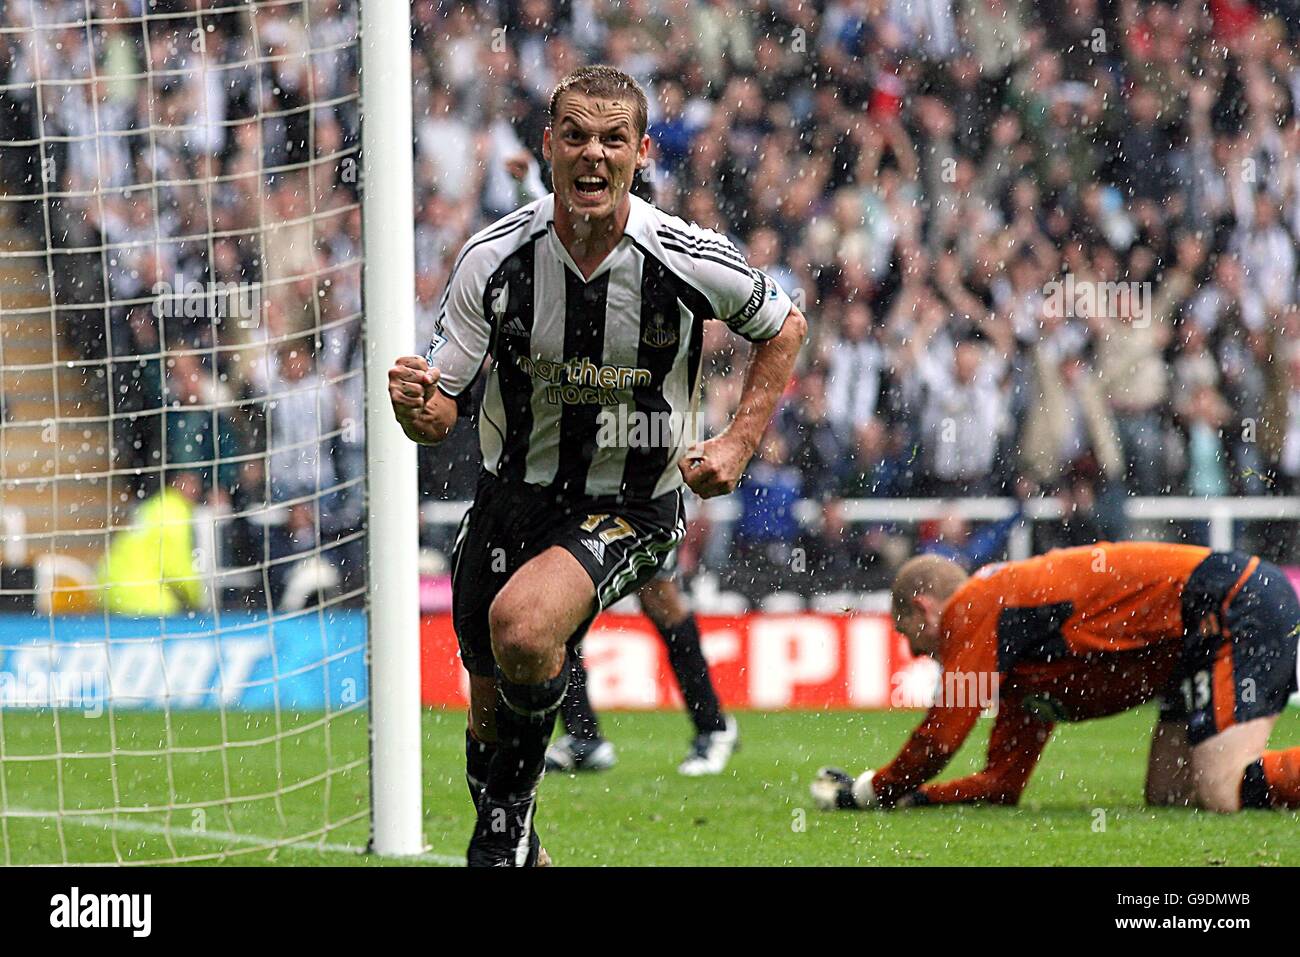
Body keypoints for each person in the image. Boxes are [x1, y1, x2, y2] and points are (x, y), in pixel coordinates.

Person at [388, 65, 806, 866]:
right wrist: (418, 407)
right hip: (509, 501)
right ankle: (525, 847)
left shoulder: (683, 256)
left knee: (524, 626)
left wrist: (738, 443)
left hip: (634, 506)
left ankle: (500, 847)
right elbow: (442, 408)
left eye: (613, 138)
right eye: (575, 134)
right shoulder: (492, 259)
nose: (593, 153)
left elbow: (784, 325)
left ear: (641, 152)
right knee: (489, 709)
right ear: (548, 146)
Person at [811, 544, 1300, 813]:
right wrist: (917, 798)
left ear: (924, 608)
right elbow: (1001, 785)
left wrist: (873, 791)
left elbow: (943, 736)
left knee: (1224, 791)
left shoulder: (973, 607)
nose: (914, 651)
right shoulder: (1020, 664)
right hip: (1198, 634)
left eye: (908, 632)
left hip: (1230, 601)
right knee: (1170, 794)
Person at [545, 553, 739, 776]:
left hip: (635, 519)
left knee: (659, 597)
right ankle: (583, 737)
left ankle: (712, 727)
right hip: (577, 520)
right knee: (566, 602)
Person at [99, 469, 206, 616]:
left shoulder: (155, 505)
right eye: (190, 483)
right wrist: (197, 596)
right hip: (143, 595)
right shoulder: (175, 512)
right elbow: (176, 563)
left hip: (111, 588)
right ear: (176, 483)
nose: (195, 489)